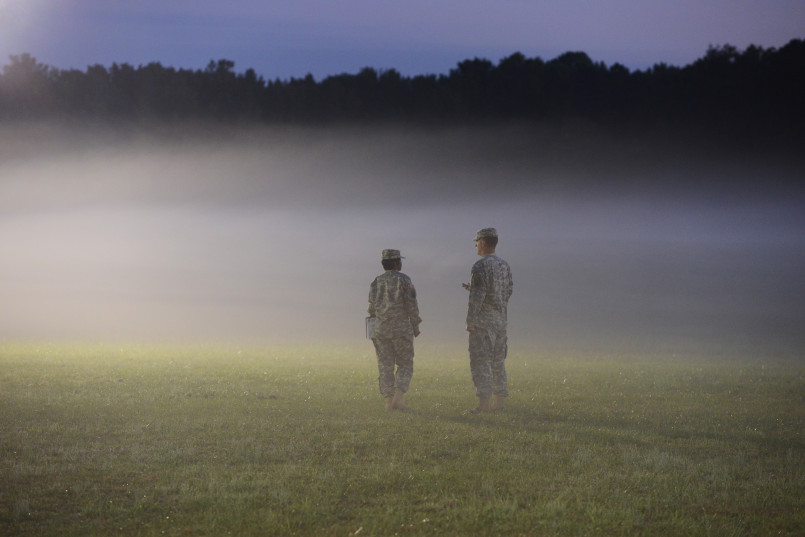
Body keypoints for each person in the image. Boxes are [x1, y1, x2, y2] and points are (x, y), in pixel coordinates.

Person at [463, 228, 513, 414]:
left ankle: (483, 406)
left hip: (483, 322)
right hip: (500, 321)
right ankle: (499, 403)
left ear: (483, 243)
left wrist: (470, 320)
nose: (476, 245)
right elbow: (508, 290)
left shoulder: (479, 266)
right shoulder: (504, 265)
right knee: (498, 361)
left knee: (481, 361)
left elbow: (477, 297)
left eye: (477, 242)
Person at [367, 249, 422, 411]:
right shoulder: (405, 280)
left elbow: (371, 309)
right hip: (401, 330)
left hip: (380, 330)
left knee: (385, 365)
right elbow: (412, 305)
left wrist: (372, 329)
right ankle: (398, 399)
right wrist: (415, 325)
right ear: (397, 263)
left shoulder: (376, 282)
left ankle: (388, 402)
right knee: (405, 364)